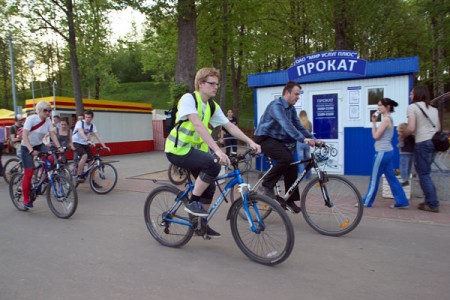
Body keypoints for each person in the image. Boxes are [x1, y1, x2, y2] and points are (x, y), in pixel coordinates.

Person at [165, 67, 260, 238]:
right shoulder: (189, 99)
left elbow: (229, 126)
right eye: (212, 83)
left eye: (217, 84)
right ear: (200, 84)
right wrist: (217, 150)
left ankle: (201, 225)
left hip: (194, 151)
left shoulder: (211, 105)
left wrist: (250, 141)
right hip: (177, 150)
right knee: (213, 165)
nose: (216, 87)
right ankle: (192, 202)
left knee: (209, 187)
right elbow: (198, 125)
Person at [254, 81, 320, 213]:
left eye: (299, 94)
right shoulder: (276, 106)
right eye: (296, 94)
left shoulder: (291, 109)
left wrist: (314, 139)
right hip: (264, 138)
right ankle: (266, 185)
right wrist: (303, 139)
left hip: (277, 140)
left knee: (292, 164)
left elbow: (299, 126)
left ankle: (289, 200)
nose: (298, 97)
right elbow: (286, 125)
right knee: (286, 158)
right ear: (287, 93)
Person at [361, 98, 409, 209]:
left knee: (374, 178)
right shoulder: (390, 119)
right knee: (391, 177)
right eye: (378, 105)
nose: (378, 107)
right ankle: (402, 201)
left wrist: (373, 123)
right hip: (388, 152)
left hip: (381, 153)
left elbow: (375, 136)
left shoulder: (386, 120)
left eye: (380, 105)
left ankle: (366, 202)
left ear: (387, 107)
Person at [21, 101, 64, 208]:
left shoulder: (48, 120)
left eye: (49, 110)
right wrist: (31, 150)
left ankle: (41, 178)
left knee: (51, 159)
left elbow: (52, 135)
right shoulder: (31, 119)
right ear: (39, 110)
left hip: (39, 144)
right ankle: (26, 199)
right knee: (29, 172)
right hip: (27, 146)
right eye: (45, 110)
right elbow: (24, 135)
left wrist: (59, 147)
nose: (48, 112)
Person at [405, 85, 440, 213]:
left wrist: (404, 135)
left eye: (411, 93)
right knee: (426, 173)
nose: (410, 95)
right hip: (433, 144)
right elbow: (438, 129)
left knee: (423, 175)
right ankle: (429, 200)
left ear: (417, 94)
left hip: (422, 143)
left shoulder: (412, 107)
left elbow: (411, 128)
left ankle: (432, 204)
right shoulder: (434, 109)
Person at [72, 110, 110, 183]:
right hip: (76, 142)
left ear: (92, 118)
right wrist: (88, 140)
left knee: (91, 161)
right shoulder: (80, 123)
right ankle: (79, 175)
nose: (87, 119)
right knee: (84, 155)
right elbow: (81, 132)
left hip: (84, 143)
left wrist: (104, 146)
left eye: (89, 117)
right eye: (86, 117)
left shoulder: (92, 126)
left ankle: (90, 178)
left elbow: (98, 136)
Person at [297, 110, 313, 179]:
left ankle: (303, 178)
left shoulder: (298, 123)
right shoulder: (309, 123)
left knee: (301, 161)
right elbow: (310, 133)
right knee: (307, 160)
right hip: (307, 143)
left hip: (300, 143)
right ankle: (308, 176)